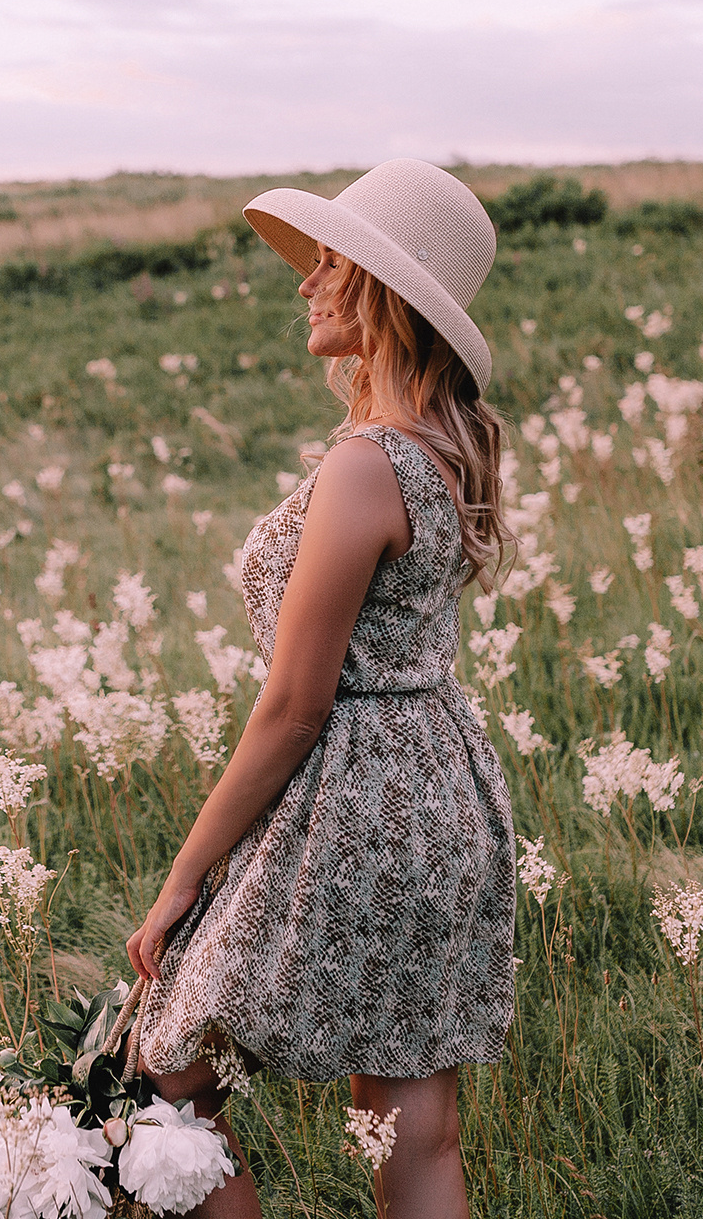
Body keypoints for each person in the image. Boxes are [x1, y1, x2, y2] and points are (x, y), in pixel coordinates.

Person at [124, 160, 520, 1219]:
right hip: (442, 791)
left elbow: (297, 704)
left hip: (355, 803)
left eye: (331, 265)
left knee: (163, 1083)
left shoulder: (364, 465)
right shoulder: (441, 451)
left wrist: (186, 873)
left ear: (382, 293)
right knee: (415, 1129)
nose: (306, 283)